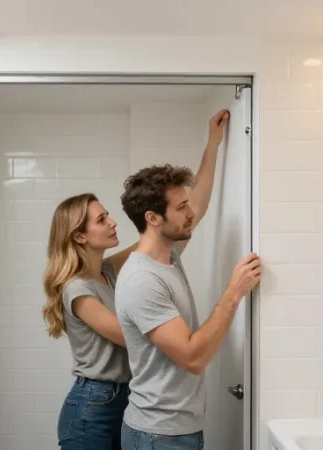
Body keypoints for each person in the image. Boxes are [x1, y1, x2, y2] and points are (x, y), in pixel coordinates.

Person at [42, 109, 233, 449]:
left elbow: (192, 214)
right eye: (101, 220)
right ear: (81, 236)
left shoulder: (113, 269)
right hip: (93, 407)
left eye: (108, 215)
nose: (113, 223)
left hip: (126, 397)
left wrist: (212, 146)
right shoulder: (78, 289)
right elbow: (133, 336)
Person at [114, 123, 261, 448]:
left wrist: (213, 144)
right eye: (180, 207)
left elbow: (200, 203)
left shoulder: (169, 254)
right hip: (157, 436)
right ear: (153, 218)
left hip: (175, 431)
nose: (190, 212)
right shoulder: (142, 280)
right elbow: (193, 357)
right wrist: (234, 292)